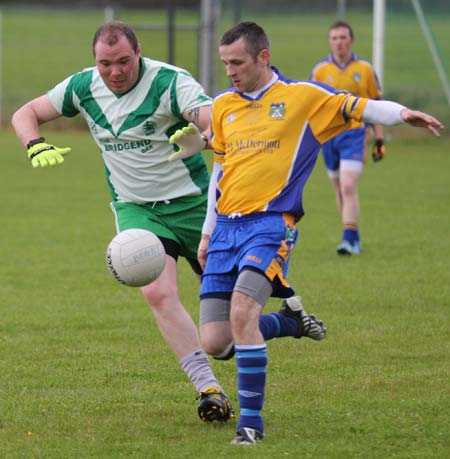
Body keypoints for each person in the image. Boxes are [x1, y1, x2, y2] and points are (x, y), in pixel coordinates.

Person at [180, 21, 442, 445]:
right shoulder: (224, 105)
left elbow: (359, 106)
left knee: (243, 312)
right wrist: (208, 233)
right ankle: (288, 323)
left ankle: (251, 426)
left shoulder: (303, 97)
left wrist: (402, 114)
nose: (230, 71)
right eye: (225, 63)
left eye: (238, 62)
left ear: (263, 57)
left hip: (271, 225)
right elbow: (220, 172)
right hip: (226, 229)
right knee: (214, 339)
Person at [11, 19, 235, 423]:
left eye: (123, 62)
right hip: (137, 208)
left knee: (225, 329)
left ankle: (275, 321)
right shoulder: (82, 86)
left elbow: (216, 118)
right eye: (104, 63)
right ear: (94, 61)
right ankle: (208, 389)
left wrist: (202, 135)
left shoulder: (169, 81)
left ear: (138, 53)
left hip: (196, 206)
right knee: (156, 293)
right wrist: (34, 144)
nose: (114, 72)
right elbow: (25, 113)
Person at [310, 21, 385, 255]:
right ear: (329, 42)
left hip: (354, 132)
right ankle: (353, 235)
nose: (339, 42)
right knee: (340, 190)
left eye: (343, 37)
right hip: (329, 137)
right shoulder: (320, 71)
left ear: (351, 40)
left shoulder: (364, 69)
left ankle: (347, 240)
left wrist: (379, 138)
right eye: (334, 38)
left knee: (348, 185)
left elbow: (376, 105)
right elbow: (312, 105)